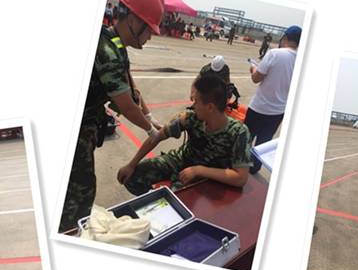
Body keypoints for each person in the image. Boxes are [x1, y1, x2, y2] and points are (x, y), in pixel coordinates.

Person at [59, 0, 165, 232]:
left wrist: (149, 114)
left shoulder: (116, 44)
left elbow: (130, 85)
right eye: (149, 29)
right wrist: (150, 130)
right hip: (75, 127)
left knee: (80, 187)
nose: (150, 36)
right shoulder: (107, 50)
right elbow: (125, 104)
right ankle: (66, 233)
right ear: (134, 21)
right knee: (80, 193)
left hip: (86, 124)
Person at [117, 74, 251, 195]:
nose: (193, 105)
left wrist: (199, 170)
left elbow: (240, 178)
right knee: (133, 178)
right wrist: (131, 164)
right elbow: (157, 136)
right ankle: (153, 199)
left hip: (208, 178)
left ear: (210, 107)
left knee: (177, 203)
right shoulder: (190, 118)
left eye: (196, 101)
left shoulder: (238, 132)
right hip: (181, 161)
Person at [245, 25, 301, 171]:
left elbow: (256, 78)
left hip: (259, 107)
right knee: (264, 142)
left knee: (246, 138)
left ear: (285, 38)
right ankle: (254, 167)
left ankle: (240, 165)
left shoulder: (274, 54)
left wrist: (253, 68)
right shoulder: (301, 62)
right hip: (278, 112)